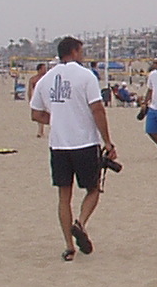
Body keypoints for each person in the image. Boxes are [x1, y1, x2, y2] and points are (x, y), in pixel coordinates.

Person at [30, 36, 114, 261]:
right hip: (84, 142)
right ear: (75, 52)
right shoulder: (86, 76)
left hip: (58, 144)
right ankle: (81, 222)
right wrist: (107, 141)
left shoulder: (46, 79)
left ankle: (69, 246)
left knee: (64, 196)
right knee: (93, 189)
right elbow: (97, 109)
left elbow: (36, 114)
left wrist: (58, 120)